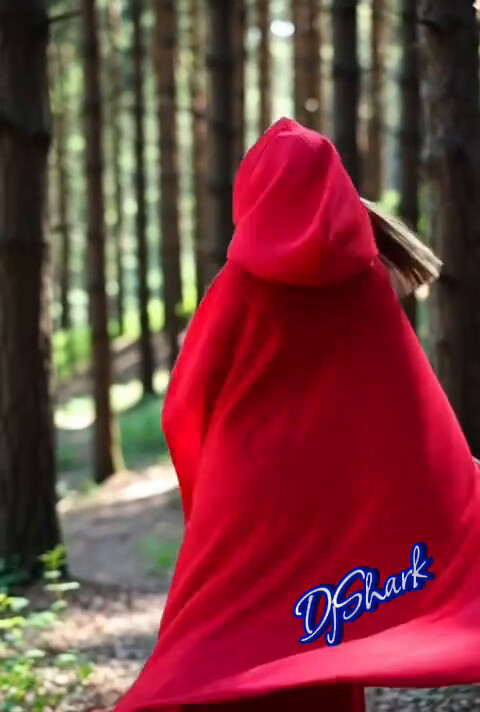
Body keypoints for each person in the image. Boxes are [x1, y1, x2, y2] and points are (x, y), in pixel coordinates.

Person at [112, 118, 480, 712]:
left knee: (221, 635)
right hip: (335, 496)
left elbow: (185, 402)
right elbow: (406, 398)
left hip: (248, 493)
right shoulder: (365, 283)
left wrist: (209, 480)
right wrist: (452, 485)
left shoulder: (238, 287)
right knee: (324, 640)